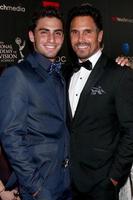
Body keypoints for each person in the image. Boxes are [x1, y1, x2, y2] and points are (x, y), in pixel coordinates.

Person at [0, 6, 71, 200]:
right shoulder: (17, 74)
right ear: (31, 36)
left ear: (63, 38)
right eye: (44, 32)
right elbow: (11, 136)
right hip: (41, 186)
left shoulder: (62, 72)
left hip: (67, 182)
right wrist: (36, 188)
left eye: (57, 33)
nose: (52, 40)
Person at [66, 4, 133, 200]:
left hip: (101, 184)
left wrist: (113, 178)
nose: (80, 39)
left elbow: (130, 131)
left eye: (87, 32)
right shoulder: (65, 72)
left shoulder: (119, 74)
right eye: (75, 32)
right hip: (66, 181)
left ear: (100, 35)